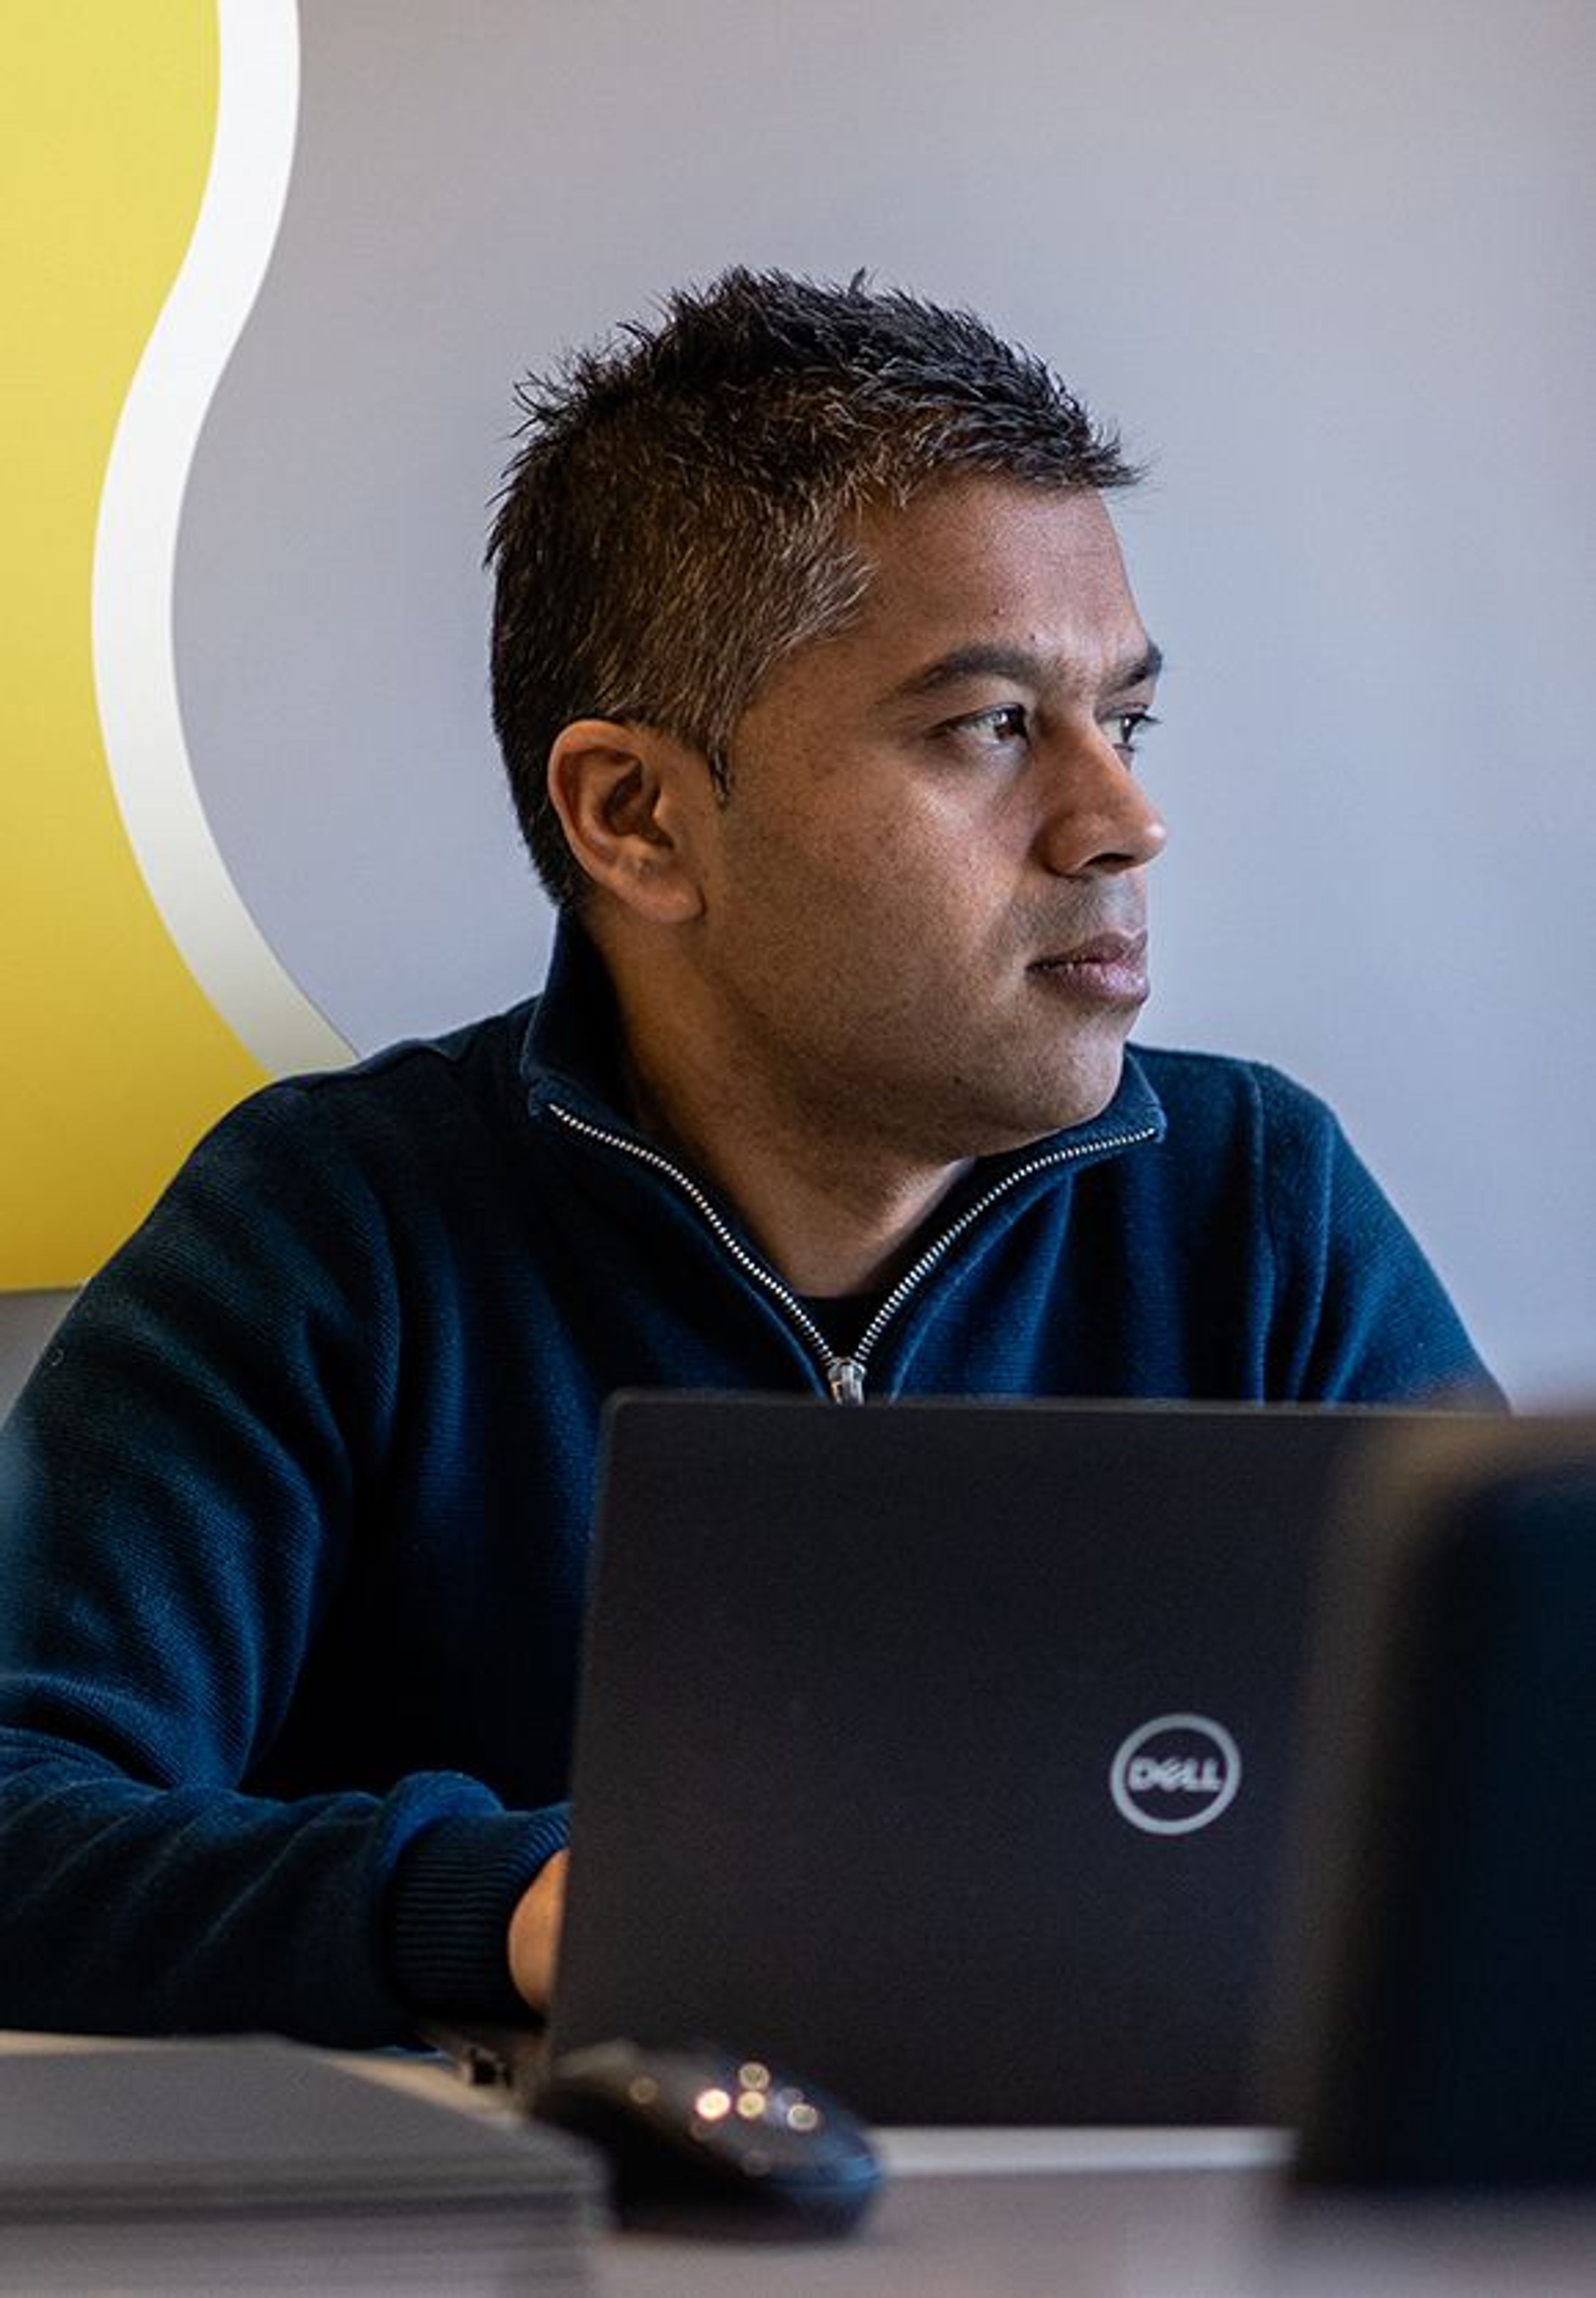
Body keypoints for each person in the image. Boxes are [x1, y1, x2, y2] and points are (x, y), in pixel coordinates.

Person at [0, 269, 1498, 2047]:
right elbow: (22, 1813)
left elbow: (1529, 1786)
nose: (1121, 818)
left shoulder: (1259, 1203)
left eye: (1129, 718)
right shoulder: (332, 1230)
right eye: (992, 726)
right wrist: (526, 1905)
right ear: (634, 817)